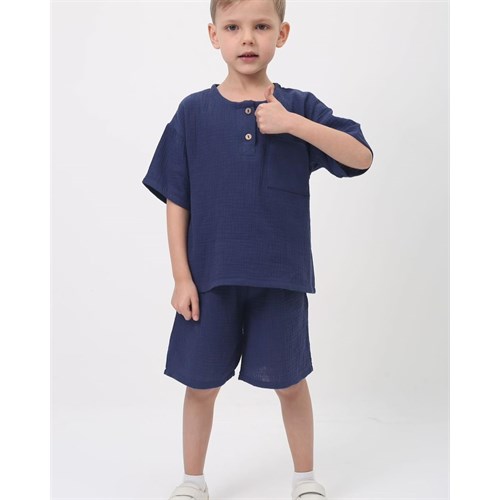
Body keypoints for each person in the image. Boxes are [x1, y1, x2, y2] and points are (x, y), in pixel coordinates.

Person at [142, 1, 374, 499]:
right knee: (200, 385)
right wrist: (181, 277)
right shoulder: (193, 112)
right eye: (233, 27)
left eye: (261, 26)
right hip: (210, 280)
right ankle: (192, 481)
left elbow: (361, 158)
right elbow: (177, 199)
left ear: (281, 34)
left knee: (290, 382)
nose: (247, 38)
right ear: (214, 35)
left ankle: (305, 478)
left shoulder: (298, 107)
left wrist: (294, 125)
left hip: (280, 279)